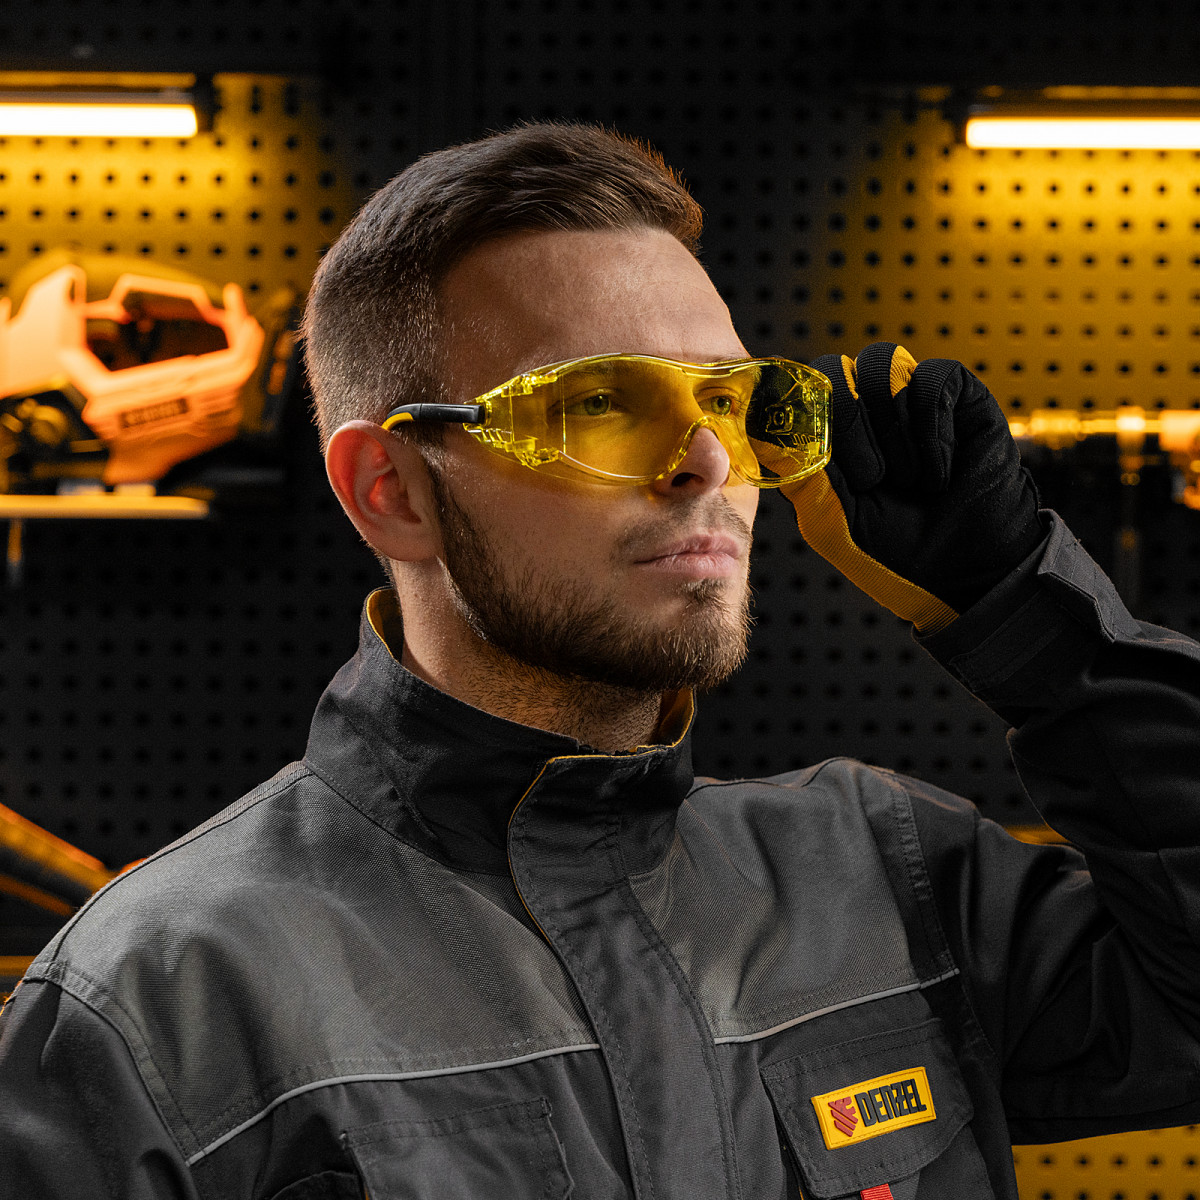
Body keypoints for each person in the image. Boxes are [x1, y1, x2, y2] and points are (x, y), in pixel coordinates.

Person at [1, 121, 1199, 1200]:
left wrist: (1030, 618)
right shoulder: (160, 1007)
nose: (708, 464)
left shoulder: (888, 881)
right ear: (392, 491)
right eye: (602, 407)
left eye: (727, 400)